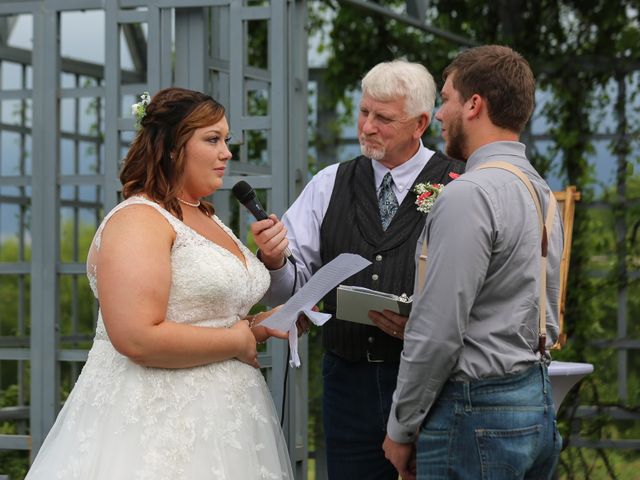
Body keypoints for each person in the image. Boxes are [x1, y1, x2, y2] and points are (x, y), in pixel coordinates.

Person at [25, 87, 294, 479]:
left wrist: (261, 324)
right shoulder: (138, 219)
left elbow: (206, 320)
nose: (227, 153)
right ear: (171, 146)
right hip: (155, 429)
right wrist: (240, 340)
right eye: (212, 139)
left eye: (227, 140)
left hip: (229, 429)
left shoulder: (204, 214)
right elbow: (136, 338)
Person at [251, 60, 464, 480]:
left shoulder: (458, 183)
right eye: (364, 112)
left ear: (420, 123)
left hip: (431, 383)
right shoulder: (329, 182)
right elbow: (293, 291)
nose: (366, 127)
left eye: (383, 118)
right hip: (347, 383)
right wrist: (274, 262)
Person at [376, 45, 564, 480]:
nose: (440, 114)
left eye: (446, 99)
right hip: (535, 401)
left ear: (474, 104)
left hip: (475, 411)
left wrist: (401, 427)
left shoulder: (470, 194)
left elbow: (439, 329)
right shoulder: (541, 193)